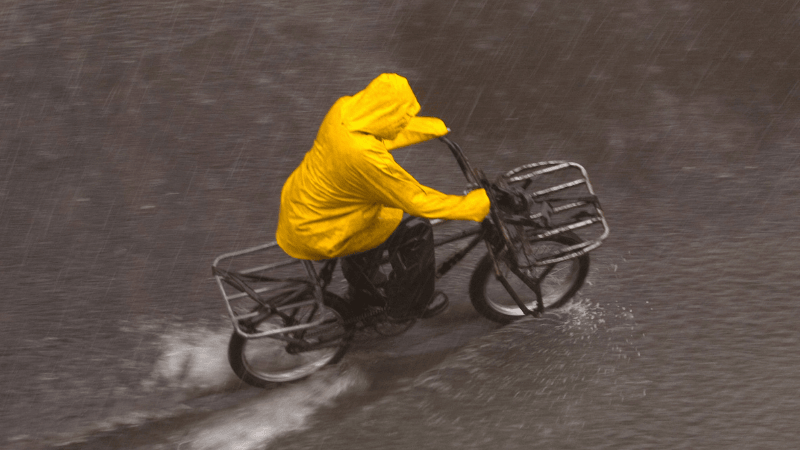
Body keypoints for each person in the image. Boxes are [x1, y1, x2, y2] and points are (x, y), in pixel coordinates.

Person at [276, 73, 490, 318]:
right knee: (415, 230)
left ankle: (363, 286)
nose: (402, 123)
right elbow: (417, 200)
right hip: (322, 231)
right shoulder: (365, 157)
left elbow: (379, 128)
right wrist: (475, 204)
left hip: (304, 208)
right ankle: (408, 305)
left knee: (381, 216)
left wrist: (429, 128)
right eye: (401, 117)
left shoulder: (343, 110)